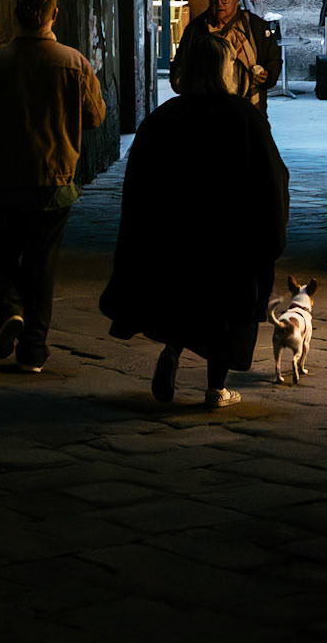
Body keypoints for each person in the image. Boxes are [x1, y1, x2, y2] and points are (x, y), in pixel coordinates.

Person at [100, 30, 289, 408]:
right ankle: (216, 388)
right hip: (229, 238)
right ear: (224, 69)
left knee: (182, 297)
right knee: (224, 310)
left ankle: (172, 349)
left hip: (175, 234)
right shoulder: (244, 118)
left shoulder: (163, 118)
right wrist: (271, 233)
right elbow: (272, 178)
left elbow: (138, 184)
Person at [0, 0, 105, 373]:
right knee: (41, 265)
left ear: (17, 15)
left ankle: (8, 309)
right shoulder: (74, 63)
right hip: (53, 183)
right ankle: (33, 350)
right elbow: (95, 116)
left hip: (2, 180)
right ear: (54, 15)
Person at [171, 0, 281, 111]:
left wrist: (267, 76)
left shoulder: (255, 26)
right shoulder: (196, 29)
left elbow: (273, 59)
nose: (219, 4)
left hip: (248, 111)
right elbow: (179, 71)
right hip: (205, 112)